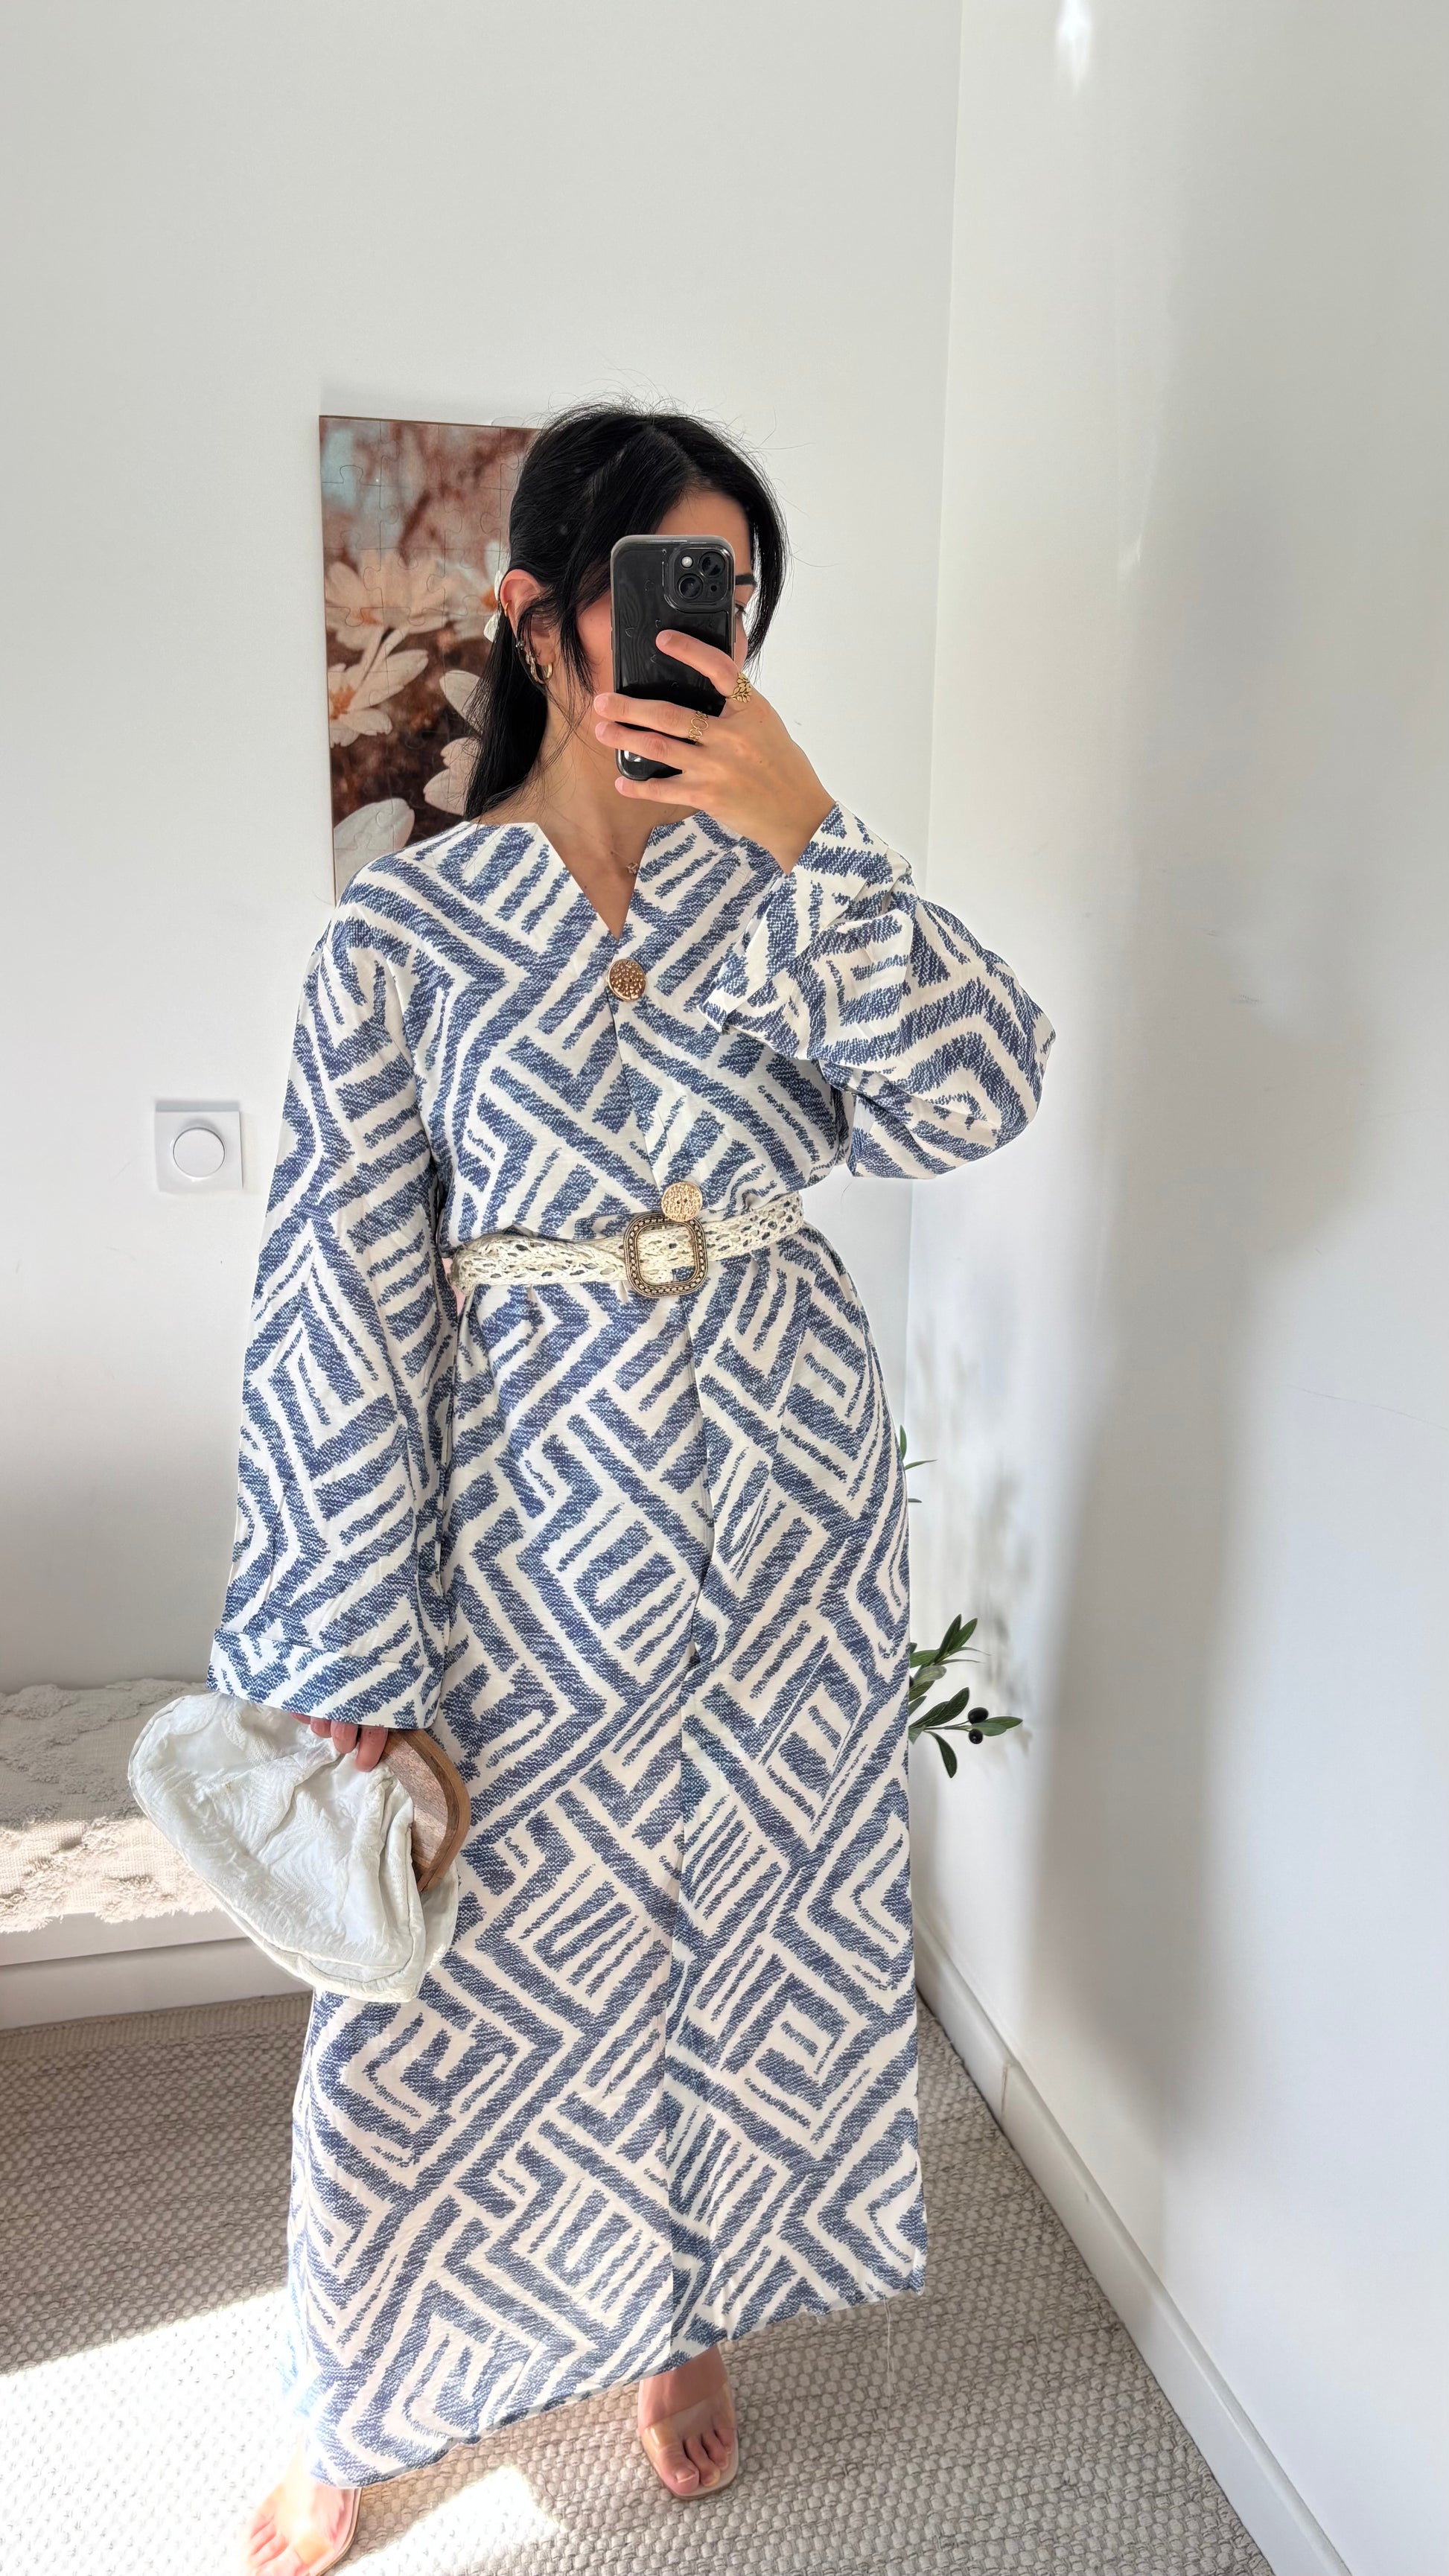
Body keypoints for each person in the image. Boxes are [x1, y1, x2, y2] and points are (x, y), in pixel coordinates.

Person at [231, 401, 1054, 2574]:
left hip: (783, 1524)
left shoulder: (781, 891)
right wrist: (346, 1641)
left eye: (739, 604)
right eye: (668, 592)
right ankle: (352, 2394)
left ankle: (679, 2323)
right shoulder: (401, 942)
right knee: (434, 2002)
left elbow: (980, 1094)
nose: (713, 641)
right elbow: (337, 1301)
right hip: (527, 1548)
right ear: (537, 612)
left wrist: (817, 836)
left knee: (740, 1943)